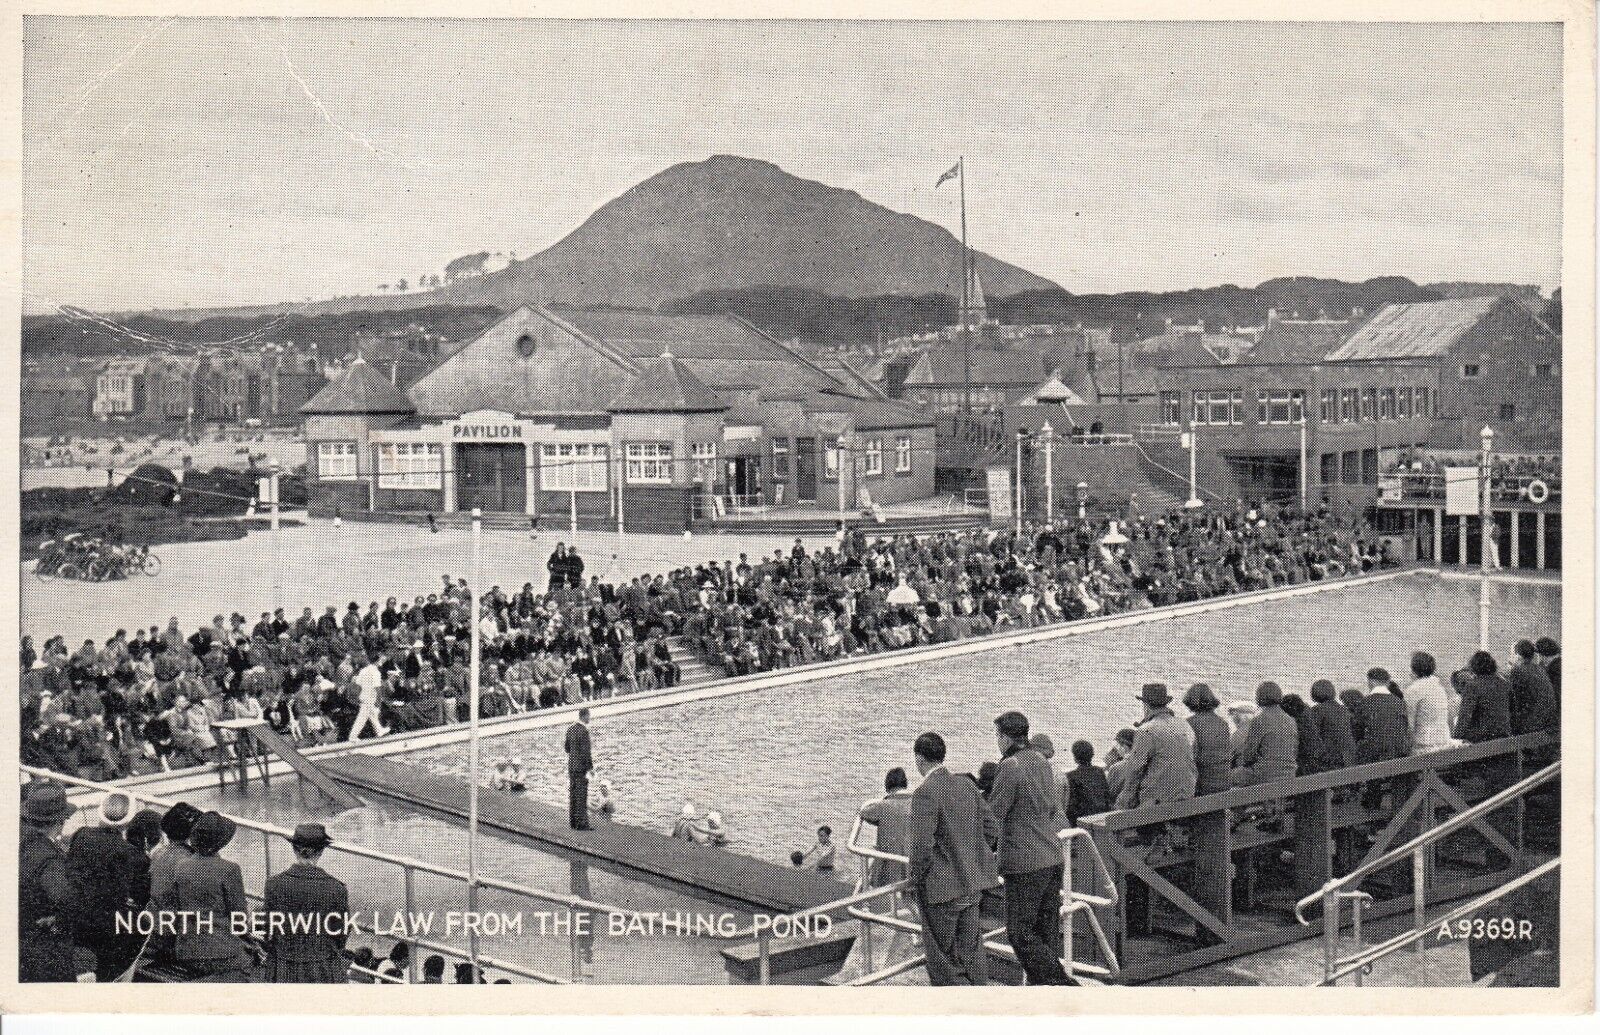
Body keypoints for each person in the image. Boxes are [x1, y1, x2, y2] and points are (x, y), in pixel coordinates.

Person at [907, 731, 1001, 985]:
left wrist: (914, 882)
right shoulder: (967, 785)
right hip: (973, 885)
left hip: (942, 891)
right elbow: (992, 827)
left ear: (919, 758)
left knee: (942, 960)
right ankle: (980, 1001)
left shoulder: (924, 793)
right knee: (971, 952)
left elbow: (922, 847)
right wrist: (972, 856)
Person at [988, 710, 1070, 984]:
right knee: (1046, 930)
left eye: (997, 736)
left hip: (1024, 862)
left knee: (1019, 932)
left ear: (1004, 737)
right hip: (1052, 855)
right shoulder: (1040, 760)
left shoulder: (1010, 766)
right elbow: (1050, 806)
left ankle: (1062, 984)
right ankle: (1045, 989)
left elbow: (994, 814)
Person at [66, 790, 153, 981]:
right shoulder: (135, 856)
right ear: (128, 821)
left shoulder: (81, 835)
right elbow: (141, 898)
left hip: (74, 919)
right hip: (106, 928)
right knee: (144, 924)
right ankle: (118, 977)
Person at [173, 811, 256, 981]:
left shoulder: (181, 866)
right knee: (256, 965)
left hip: (187, 951)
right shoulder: (229, 869)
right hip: (222, 953)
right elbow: (239, 920)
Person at [262, 823, 350, 983]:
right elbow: (341, 935)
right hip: (322, 968)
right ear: (321, 851)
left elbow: (269, 931)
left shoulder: (273, 884)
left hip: (283, 967)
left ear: (294, 849)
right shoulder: (336, 888)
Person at [19, 783, 81, 982]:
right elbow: (65, 899)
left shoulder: (21, 840)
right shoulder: (48, 859)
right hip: (45, 951)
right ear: (61, 820)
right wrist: (57, 919)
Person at [1116, 683, 1198, 809]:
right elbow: (1193, 756)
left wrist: (1122, 802)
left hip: (1159, 802)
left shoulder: (1146, 730)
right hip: (1188, 794)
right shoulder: (1184, 725)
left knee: (1119, 809)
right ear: (1165, 703)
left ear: (1146, 705)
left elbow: (1135, 770)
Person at [1231, 681, 1298, 787]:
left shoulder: (1259, 720)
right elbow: (1294, 751)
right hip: (1289, 775)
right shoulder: (1291, 720)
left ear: (1259, 698)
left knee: (1229, 776)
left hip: (1265, 777)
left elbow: (1248, 756)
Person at [859, 767, 913, 884]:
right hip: (913, 864)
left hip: (889, 866)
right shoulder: (917, 805)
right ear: (905, 784)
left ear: (887, 785)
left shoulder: (883, 806)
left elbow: (864, 812)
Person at [1182, 683, 1232, 796]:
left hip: (1202, 786)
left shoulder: (1190, 723)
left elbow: (1190, 758)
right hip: (1224, 783)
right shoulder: (1223, 723)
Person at [1357, 668, 1412, 763]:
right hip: (1400, 754)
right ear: (1387, 682)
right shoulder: (1400, 702)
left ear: (1371, 682)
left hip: (1375, 756)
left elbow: (1357, 731)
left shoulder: (1365, 702)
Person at [1456, 651, 1512, 744]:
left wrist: (1455, 739)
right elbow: (1512, 709)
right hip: (1504, 735)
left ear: (1474, 667)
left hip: (1482, 740)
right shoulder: (1504, 683)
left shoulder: (1472, 686)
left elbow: (1464, 716)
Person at [1403, 653, 1455, 754]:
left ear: (1414, 669)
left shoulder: (1413, 690)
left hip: (1423, 746)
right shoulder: (1440, 689)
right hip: (1443, 743)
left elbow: (1409, 724)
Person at [1508, 640, 1559, 735]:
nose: (1509, 657)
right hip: (1547, 722)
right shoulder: (1540, 669)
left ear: (1517, 655)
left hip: (1532, 726)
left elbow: (1514, 700)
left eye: (1511, 653)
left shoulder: (1517, 670)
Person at [1308, 679, 1359, 771]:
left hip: (1333, 757)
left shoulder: (1317, 710)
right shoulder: (1344, 709)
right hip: (1350, 755)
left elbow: (1313, 735)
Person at [1063, 740, 1111, 826]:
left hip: (1083, 821)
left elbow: (1072, 807)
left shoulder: (1070, 776)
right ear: (1092, 755)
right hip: (1101, 817)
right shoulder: (1099, 772)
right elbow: (1106, 796)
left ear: (1075, 758)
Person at [564, 707, 593, 830]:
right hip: (581, 767)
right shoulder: (584, 731)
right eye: (589, 716)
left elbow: (567, 749)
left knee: (573, 794)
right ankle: (582, 823)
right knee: (582, 795)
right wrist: (590, 768)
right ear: (584, 716)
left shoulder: (570, 729)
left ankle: (573, 821)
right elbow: (586, 753)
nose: (589, 719)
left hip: (571, 766)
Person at [347, 658, 389, 742]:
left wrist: (358, 697)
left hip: (363, 696)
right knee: (362, 718)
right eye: (380, 661)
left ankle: (379, 730)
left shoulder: (363, 671)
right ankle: (352, 736)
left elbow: (358, 685)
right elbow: (377, 688)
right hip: (371, 698)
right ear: (377, 662)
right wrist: (378, 703)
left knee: (372, 715)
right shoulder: (376, 672)